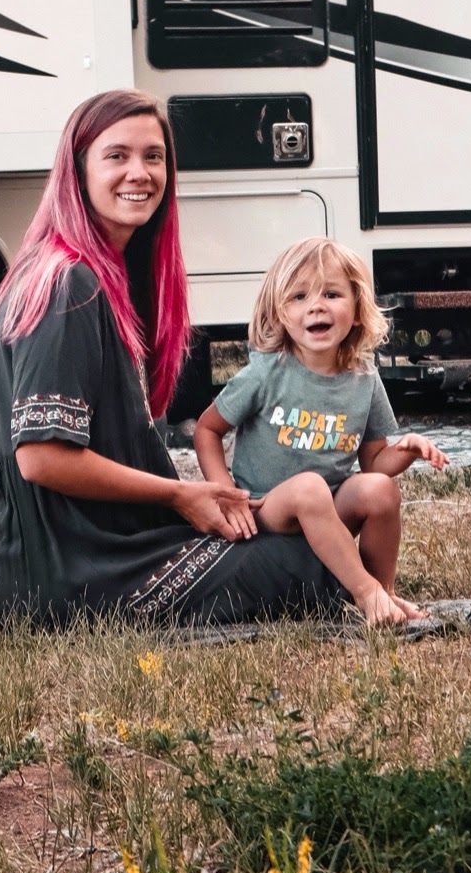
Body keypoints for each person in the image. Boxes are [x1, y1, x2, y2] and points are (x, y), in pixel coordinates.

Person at [0, 90, 348, 625]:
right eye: (116, 156)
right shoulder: (67, 284)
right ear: (76, 170)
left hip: (74, 552)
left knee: (311, 540)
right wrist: (180, 495)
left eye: (154, 157)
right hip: (69, 568)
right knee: (307, 564)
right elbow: (42, 456)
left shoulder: (96, 271)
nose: (140, 173)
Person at [192, 237, 448, 625]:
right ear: (279, 313)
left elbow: (374, 462)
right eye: (298, 297)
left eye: (331, 293)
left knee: (379, 491)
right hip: (267, 511)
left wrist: (407, 450)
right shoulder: (267, 372)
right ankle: (365, 592)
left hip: (329, 511)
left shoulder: (364, 378)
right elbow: (207, 430)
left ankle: (386, 593)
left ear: (358, 309)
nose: (316, 305)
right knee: (309, 487)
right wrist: (226, 495)